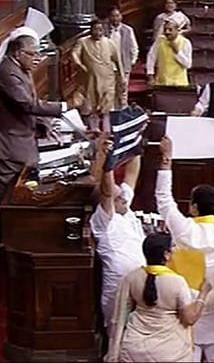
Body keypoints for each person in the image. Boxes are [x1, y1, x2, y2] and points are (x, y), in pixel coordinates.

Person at [156, 135, 214, 362]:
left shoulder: (184, 229)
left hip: (188, 304)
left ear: (194, 208)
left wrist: (166, 159)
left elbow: (164, 199)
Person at [105, 233, 212, 362]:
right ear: (166, 254)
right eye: (173, 247)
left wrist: (114, 351)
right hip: (170, 350)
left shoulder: (132, 277)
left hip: (134, 346)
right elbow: (189, 318)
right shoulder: (177, 282)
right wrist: (203, 294)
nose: (176, 250)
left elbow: (119, 317)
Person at [0, 33, 75, 199]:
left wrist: (44, 124)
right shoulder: (8, 73)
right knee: (9, 190)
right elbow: (27, 104)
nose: (37, 58)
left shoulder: (20, 69)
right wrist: (63, 106)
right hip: (11, 145)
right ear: (18, 53)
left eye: (38, 53)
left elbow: (31, 102)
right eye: (33, 54)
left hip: (24, 140)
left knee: (20, 188)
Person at [90, 135, 146, 338]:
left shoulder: (124, 207)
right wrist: (108, 165)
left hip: (141, 283)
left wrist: (135, 143)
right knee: (118, 337)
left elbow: (132, 173)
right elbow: (106, 192)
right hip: (118, 290)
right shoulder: (104, 220)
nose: (124, 195)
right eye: (118, 195)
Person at [72, 20, 125, 129]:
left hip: (108, 80)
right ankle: (93, 132)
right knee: (91, 109)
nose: (97, 32)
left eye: (100, 30)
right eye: (95, 29)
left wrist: (122, 78)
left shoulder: (109, 43)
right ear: (90, 30)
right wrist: (80, 64)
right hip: (90, 80)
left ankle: (107, 133)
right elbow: (74, 54)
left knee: (106, 109)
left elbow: (118, 61)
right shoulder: (82, 42)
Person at [146, 20, 192, 87]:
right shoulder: (159, 41)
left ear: (177, 30)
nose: (167, 32)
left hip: (179, 84)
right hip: (161, 82)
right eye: (165, 29)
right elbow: (151, 58)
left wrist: (177, 52)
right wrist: (150, 75)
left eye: (170, 30)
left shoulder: (185, 43)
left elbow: (188, 65)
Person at [107, 7, 139, 88]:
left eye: (117, 16)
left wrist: (132, 61)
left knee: (123, 90)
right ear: (109, 17)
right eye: (113, 16)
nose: (115, 18)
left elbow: (134, 47)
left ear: (121, 16)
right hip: (109, 65)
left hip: (124, 64)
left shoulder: (128, 30)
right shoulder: (104, 30)